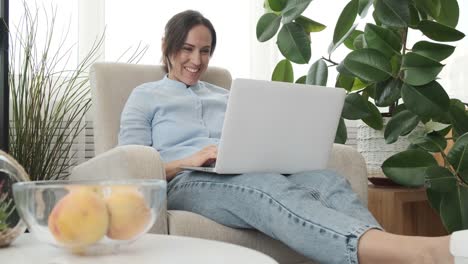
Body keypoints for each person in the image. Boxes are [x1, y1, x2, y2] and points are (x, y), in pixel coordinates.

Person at [118, 10, 457, 264]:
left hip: (244, 169)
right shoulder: (144, 96)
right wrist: (188, 160)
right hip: (188, 182)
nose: (196, 61)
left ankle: (388, 256)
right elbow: (129, 171)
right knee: (265, 186)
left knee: (327, 181)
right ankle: (419, 253)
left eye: (205, 51)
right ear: (167, 46)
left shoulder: (225, 95)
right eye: (187, 49)